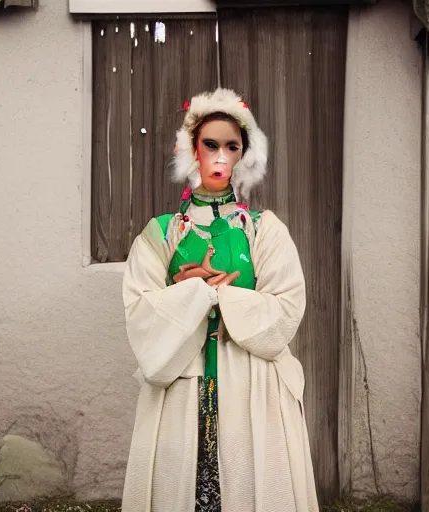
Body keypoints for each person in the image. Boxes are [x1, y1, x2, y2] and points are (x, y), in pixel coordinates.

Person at [121, 88, 319, 512]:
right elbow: (140, 310)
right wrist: (195, 294)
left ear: (244, 155)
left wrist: (217, 298)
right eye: (210, 144)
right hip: (182, 388)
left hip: (252, 387)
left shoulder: (265, 230)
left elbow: (286, 305)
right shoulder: (160, 234)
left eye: (232, 146)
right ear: (193, 148)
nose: (220, 155)